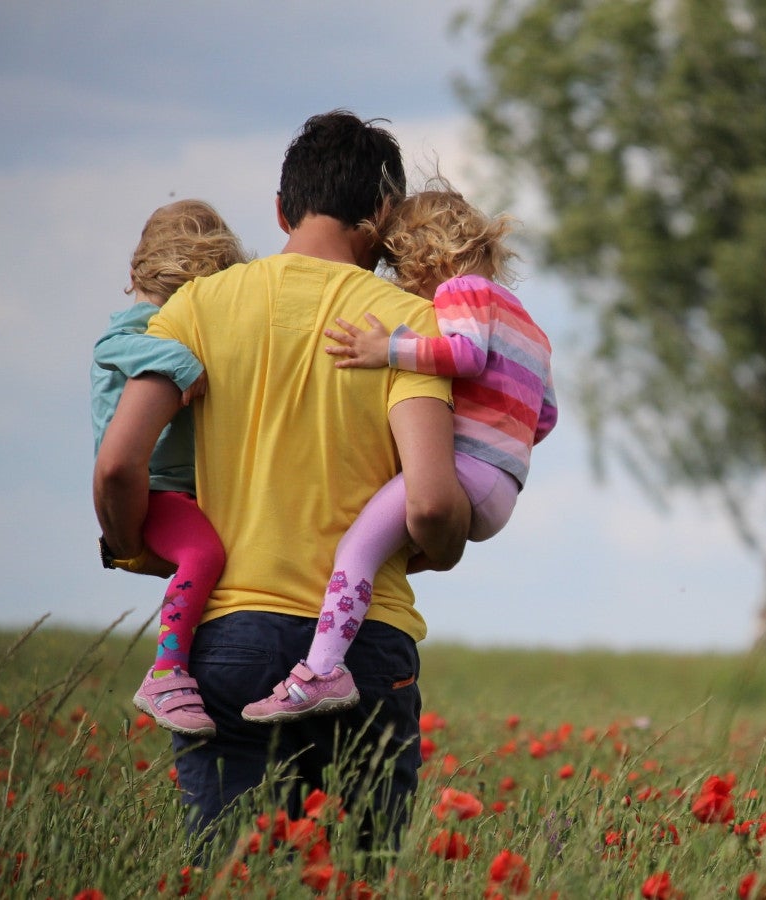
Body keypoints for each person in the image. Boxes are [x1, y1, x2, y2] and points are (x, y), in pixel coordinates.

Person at [93, 110, 471, 846]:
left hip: (228, 639)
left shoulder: (197, 307)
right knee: (359, 879)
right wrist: (447, 541)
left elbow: (117, 462)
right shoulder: (409, 326)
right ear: (384, 215)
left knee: (233, 873)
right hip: (364, 646)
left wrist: (133, 543)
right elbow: (429, 503)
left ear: (280, 209)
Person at [241, 182, 558, 723]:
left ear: (426, 255)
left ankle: (321, 671)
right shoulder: (530, 325)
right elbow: (545, 416)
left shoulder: (461, 292)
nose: (400, 282)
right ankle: (337, 647)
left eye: (399, 266)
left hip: (465, 470)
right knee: (383, 552)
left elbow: (464, 355)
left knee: (356, 550)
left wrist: (385, 349)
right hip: (504, 486)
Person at [91, 199, 248, 737]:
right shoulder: (140, 327)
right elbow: (112, 345)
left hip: (179, 489)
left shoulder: (162, 320)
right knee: (204, 553)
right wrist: (181, 362)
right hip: (155, 489)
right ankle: (167, 671)